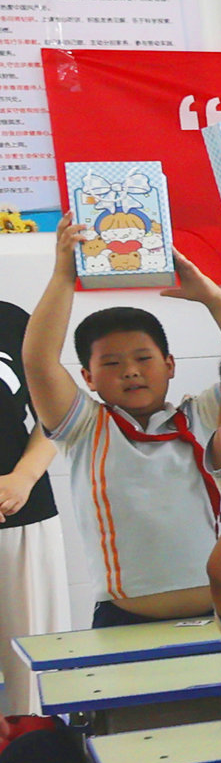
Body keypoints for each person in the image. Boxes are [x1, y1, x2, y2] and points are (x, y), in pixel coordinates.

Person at [23, 225, 221, 624]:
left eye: (143, 359)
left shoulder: (205, 415)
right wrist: (63, 275)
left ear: (170, 365)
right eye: (111, 363)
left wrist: (216, 300)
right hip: (125, 619)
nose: (130, 371)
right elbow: (39, 362)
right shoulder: (86, 428)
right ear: (88, 378)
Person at [0, 289, 67, 714]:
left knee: (37, 675)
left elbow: (57, 411)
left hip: (21, 512)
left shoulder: (10, 321)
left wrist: (23, 477)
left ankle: (38, 751)